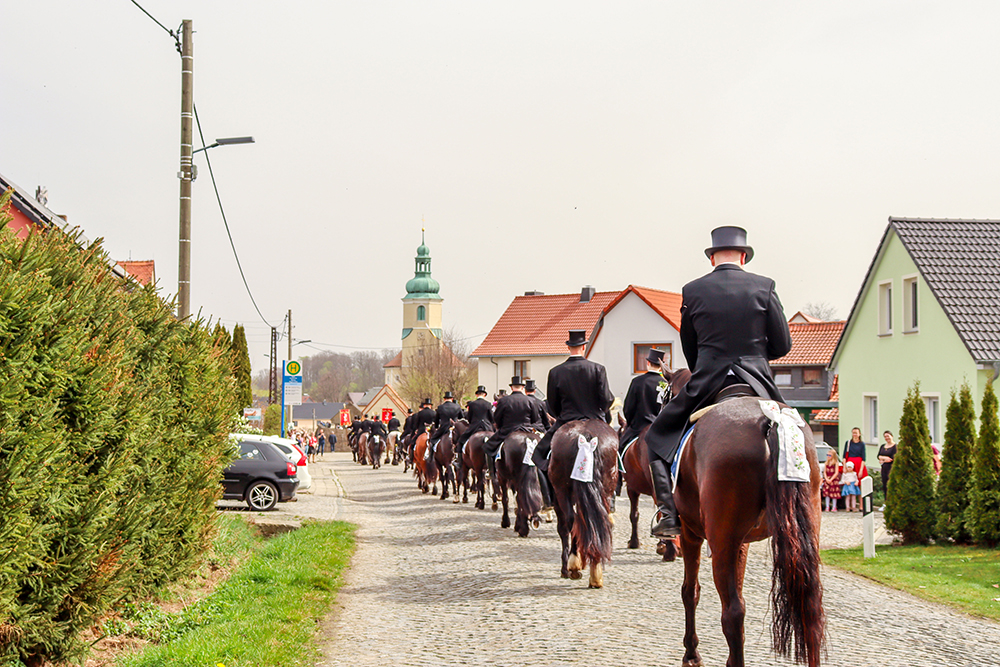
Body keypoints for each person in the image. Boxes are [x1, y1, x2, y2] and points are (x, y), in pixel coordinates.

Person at [646, 226, 792, 537]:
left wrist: (706, 364)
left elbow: (690, 348)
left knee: (656, 437)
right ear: (744, 256)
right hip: (758, 382)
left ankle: (668, 514)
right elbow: (782, 345)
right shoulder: (765, 286)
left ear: (712, 258)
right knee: (793, 431)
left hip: (708, 381)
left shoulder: (693, 290)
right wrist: (755, 355)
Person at [531, 331, 615, 512]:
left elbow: (552, 405)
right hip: (595, 419)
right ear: (584, 346)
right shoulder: (598, 369)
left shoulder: (556, 372)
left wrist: (563, 415)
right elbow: (607, 399)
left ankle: (550, 498)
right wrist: (599, 411)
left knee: (539, 455)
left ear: (568, 347)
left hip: (566, 420)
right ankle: (612, 496)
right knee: (616, 457)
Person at [485, 377, 537, 482]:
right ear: (523, 387)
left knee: (488, 446)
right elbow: (535, 418)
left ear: (512, 387)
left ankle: (491, 472)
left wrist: (501, 426)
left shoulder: (504, 400)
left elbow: (497, 418)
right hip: (527, 430)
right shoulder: (531, 400)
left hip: (508, 430)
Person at [456, 386, 494, 454]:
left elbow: (469, 417)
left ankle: (459, 457)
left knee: (462, 439)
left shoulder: (472, 404)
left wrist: (472, 422)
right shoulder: (488, 404)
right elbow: (491, 417)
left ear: (476, 395)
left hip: (474, 426)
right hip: (487, 426)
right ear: (484, 394)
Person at [877, 430, 896, 503]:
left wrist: (882, 459)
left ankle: (892, 502)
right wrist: (884, 458)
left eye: (888, 436)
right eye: (885, 436)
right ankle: (886, 501)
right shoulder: (883, 446)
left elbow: (891, 459)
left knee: (891, 485)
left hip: (891, 469)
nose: (886, 438)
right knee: (884, 486)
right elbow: (878, 456)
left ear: (892, 436)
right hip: (884, 469)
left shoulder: (895, 446)